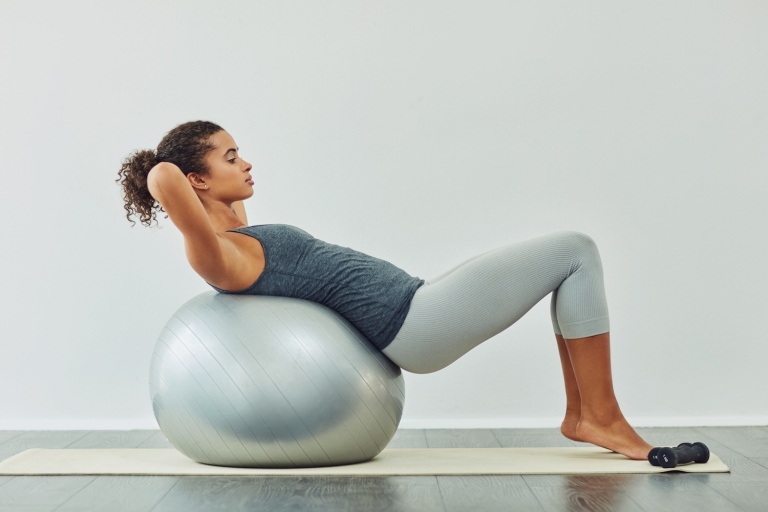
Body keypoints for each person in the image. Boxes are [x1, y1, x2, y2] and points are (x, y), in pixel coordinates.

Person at [118, 120, 653, 460]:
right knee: (575, 250)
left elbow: (195, 188)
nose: (247, 162)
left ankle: (585, 414)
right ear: (196, 182)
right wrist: (165, 166)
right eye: (230, 156)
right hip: (417, 322)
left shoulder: (235, 228)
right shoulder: (216, 252)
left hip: (418, 299)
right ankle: (599, 417)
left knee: (565, 259)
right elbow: (165, 175)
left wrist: (211, 176)